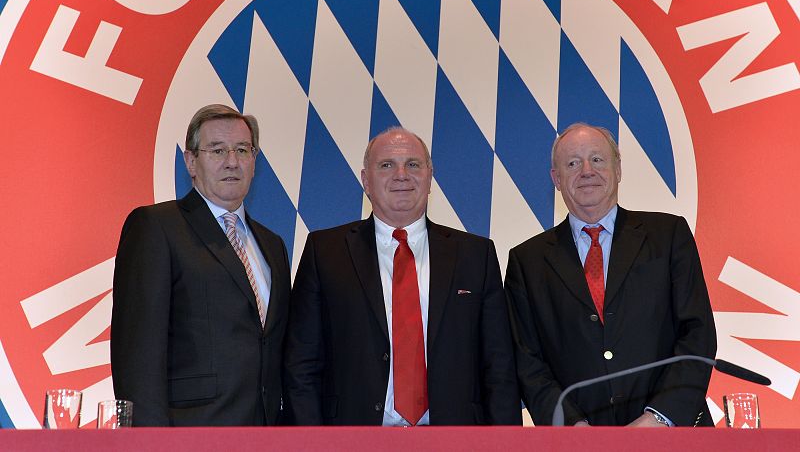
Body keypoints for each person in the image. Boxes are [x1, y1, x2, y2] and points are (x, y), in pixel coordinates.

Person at [283, 127, 521, 426]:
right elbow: (301, 364)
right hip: (352, 438)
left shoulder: (476, 255)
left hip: (454, 438)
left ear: (429, 177)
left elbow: (499, 367)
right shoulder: (325, 251)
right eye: (386, 165)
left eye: (413, 164)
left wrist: (505, 443)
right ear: (365, 180)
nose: (401, 175)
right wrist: (312, 443)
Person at [505, 122, 716, 427]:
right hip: (577, 441)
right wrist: (573, 429)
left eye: (597, 159)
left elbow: (697, 334)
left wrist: (660, 418)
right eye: (572, 163)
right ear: (556, 179)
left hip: (673, 432)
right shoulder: (527, 261)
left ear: (618, 170)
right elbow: (527, 362)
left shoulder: (668, 235)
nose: (586, 171)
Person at [111, 104, 291, 426]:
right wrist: (148, 443)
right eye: (218, 150)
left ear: (254, 162)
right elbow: (138, 355)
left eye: (242, 150)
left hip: (265, 434)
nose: (232, 161)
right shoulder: (157, 227)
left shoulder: (272, 245)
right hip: (189, 433)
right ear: (191, 162)